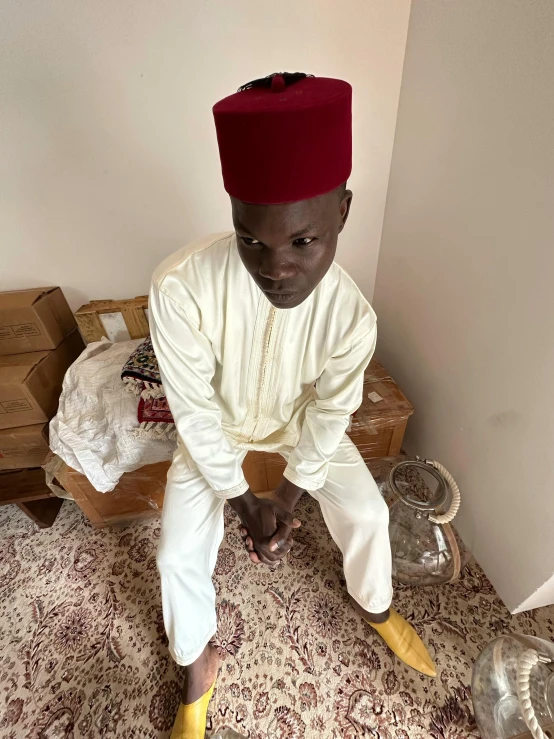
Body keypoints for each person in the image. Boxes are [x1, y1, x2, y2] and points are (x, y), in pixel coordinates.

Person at [149, 73, 436, 739]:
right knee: (173, 557)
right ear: (234, 218)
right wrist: (243, 497)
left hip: (301, 427)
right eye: (252, 240)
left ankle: (377, 607)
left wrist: (289, 497)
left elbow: (331, 414)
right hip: (216, 430)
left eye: (302, 242)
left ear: (342, 210)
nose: (275, 267)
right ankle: (198, 668)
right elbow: (192, 409)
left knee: (366, 509)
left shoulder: (352, 318)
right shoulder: (180, 286)